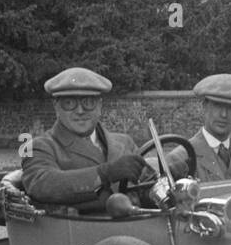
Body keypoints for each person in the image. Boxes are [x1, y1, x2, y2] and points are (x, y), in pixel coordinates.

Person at [21, 67, 147, 205]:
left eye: (88, 102)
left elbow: (149, 182)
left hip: (137, 223)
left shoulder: (124, 142)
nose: (80, 111)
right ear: (56, 107)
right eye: (69, 103)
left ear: (99, 106)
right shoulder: (37, 146)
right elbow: (42, 184)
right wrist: (105, 173)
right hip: (75, 225)